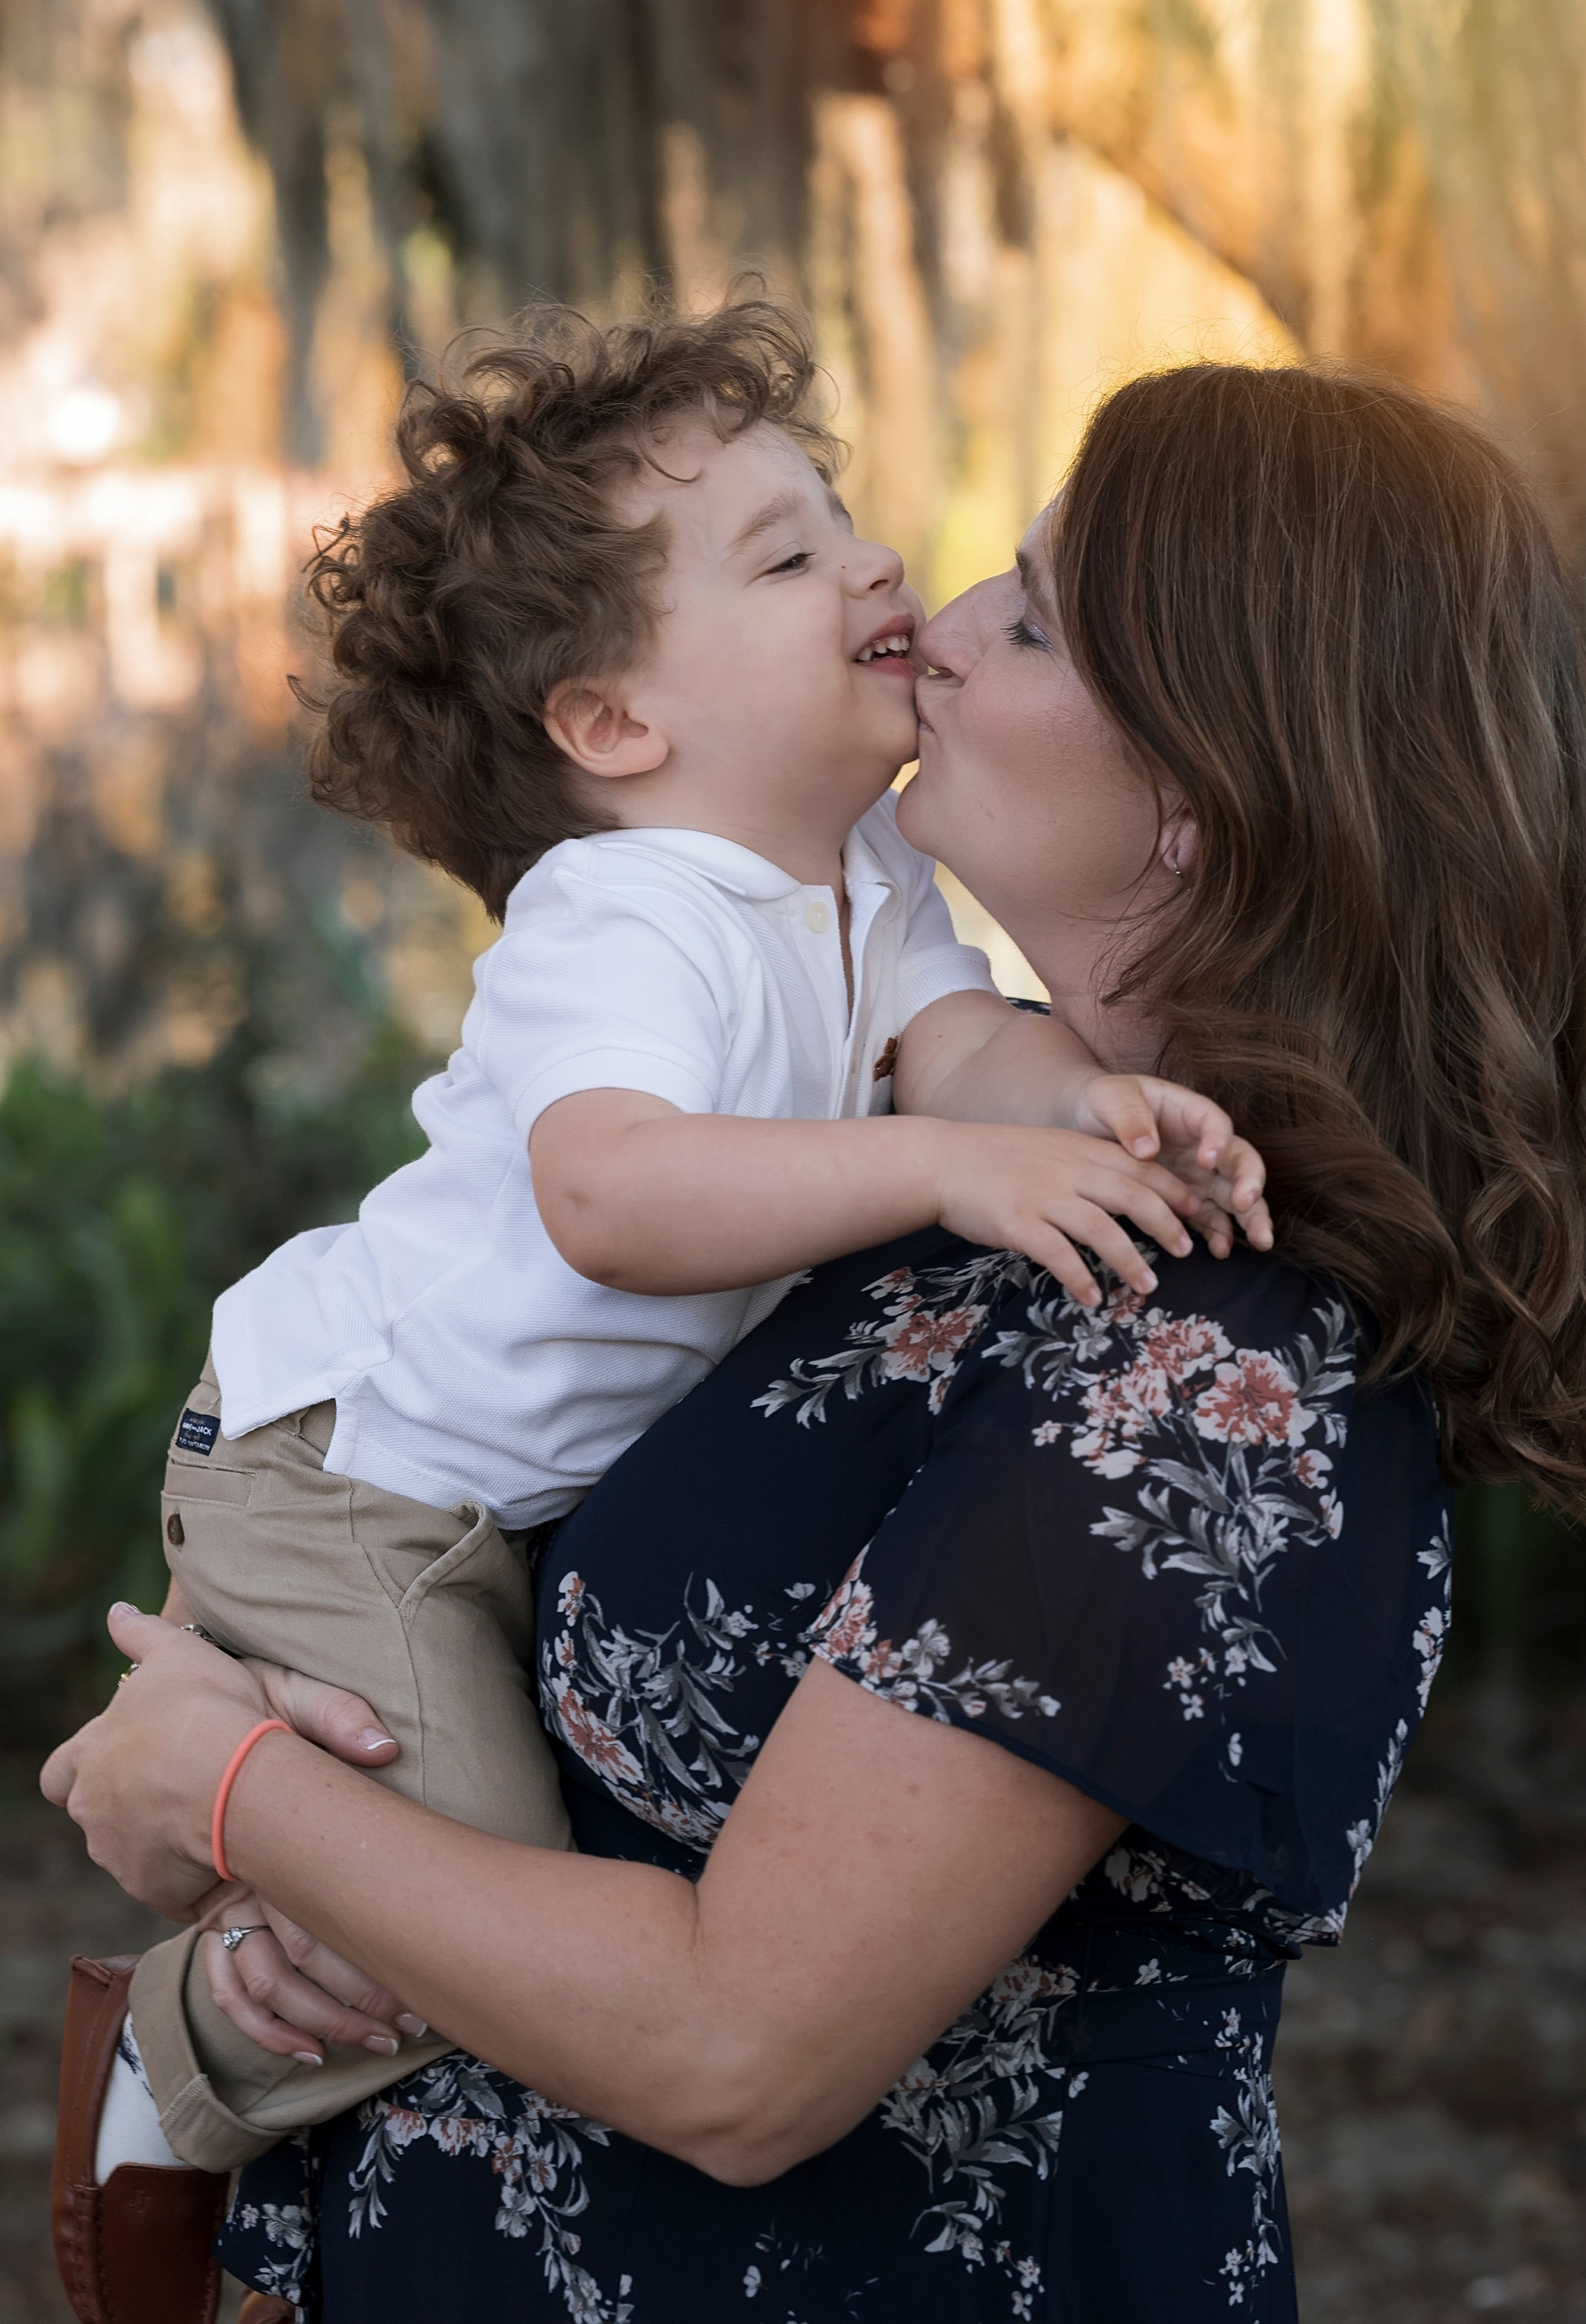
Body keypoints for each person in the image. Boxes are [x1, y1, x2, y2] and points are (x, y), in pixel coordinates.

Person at [46, 358, 1586, 2324]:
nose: (940, 616)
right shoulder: (943, 1166)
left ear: (1209, 790)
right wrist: (263, 1908)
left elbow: (739, 2054)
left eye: (1041, 616)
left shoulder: (1198, 1365)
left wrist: (214, 1791)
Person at [72, 300, 1270, 2213]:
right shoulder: (626, 915)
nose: (880, 566)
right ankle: (177, 2056)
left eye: (844, 517)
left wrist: (1091, 1115)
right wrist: (947, 1165)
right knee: (455, 1905)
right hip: (358, 1474)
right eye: (786, 558)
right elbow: (611, 1196)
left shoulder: (866, 874)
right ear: (617, 723)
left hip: (503, 1487)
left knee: (450, 1900)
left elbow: (963, 1042)